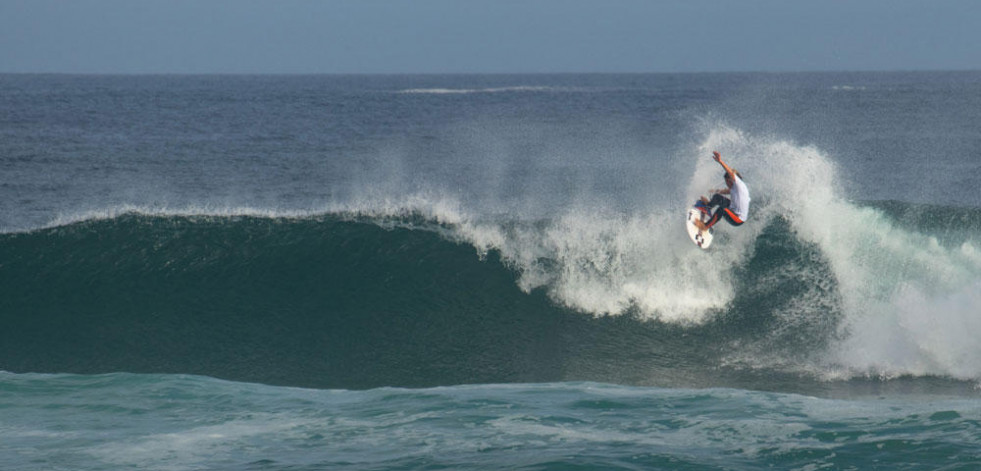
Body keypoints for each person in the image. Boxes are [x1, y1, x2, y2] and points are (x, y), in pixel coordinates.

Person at [693, 151, 750, 232]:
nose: (726, 184)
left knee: (722, 209)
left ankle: (705, 226)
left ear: (729, 180)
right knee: (717, 197)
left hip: (738, 219)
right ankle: (707, 207)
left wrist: (720, 161)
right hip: (732, 209)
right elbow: (727, 191)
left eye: (726, 181)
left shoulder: (739, 184)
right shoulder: (735, 187)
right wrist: (714, 191)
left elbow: (730, 173)